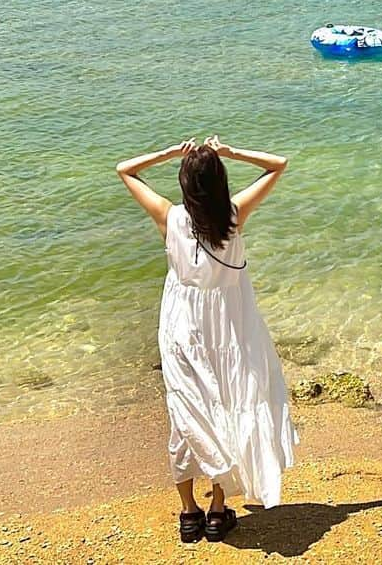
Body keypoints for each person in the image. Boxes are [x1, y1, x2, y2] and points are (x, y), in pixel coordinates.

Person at [115, 134, 298, 544]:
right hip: (229, 327)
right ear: (220, 182)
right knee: (226, 408)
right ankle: (217, 512)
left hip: (183, 328)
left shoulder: (169, 217)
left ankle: (189, 513)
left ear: (184, 184)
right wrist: (230, 151)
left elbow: (124, 170)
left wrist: (167, 153)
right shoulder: (234, 216)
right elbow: (278, 163)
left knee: (186, 415)